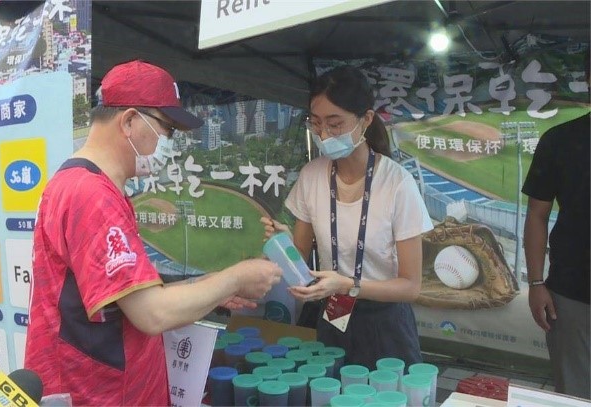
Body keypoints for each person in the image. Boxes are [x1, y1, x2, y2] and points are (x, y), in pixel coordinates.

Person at [24, 60, 282, 406]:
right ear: (130, 121)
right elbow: (151, 313)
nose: (168, 143)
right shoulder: (91, 194)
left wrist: (208, 288)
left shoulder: (87, 185)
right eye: (167, 129)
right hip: (98, 394)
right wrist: (236, 277)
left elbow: (126, 298)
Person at [261, 65, 433, 369]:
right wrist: (283, 244)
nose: (324, 134)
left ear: (366, 119)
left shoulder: (397, 183)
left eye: (335, 124)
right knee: (330, 388)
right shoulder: (312, 176)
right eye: (316, 123)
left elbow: (410, 286)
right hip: (334, 313)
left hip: (386, 320)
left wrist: (347, 285)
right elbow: (300, 260)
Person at [522, 52, 589, 399]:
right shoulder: (560, 140)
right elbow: (537, 214)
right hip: (572, 294)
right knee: (576, 396)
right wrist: (536, 283)